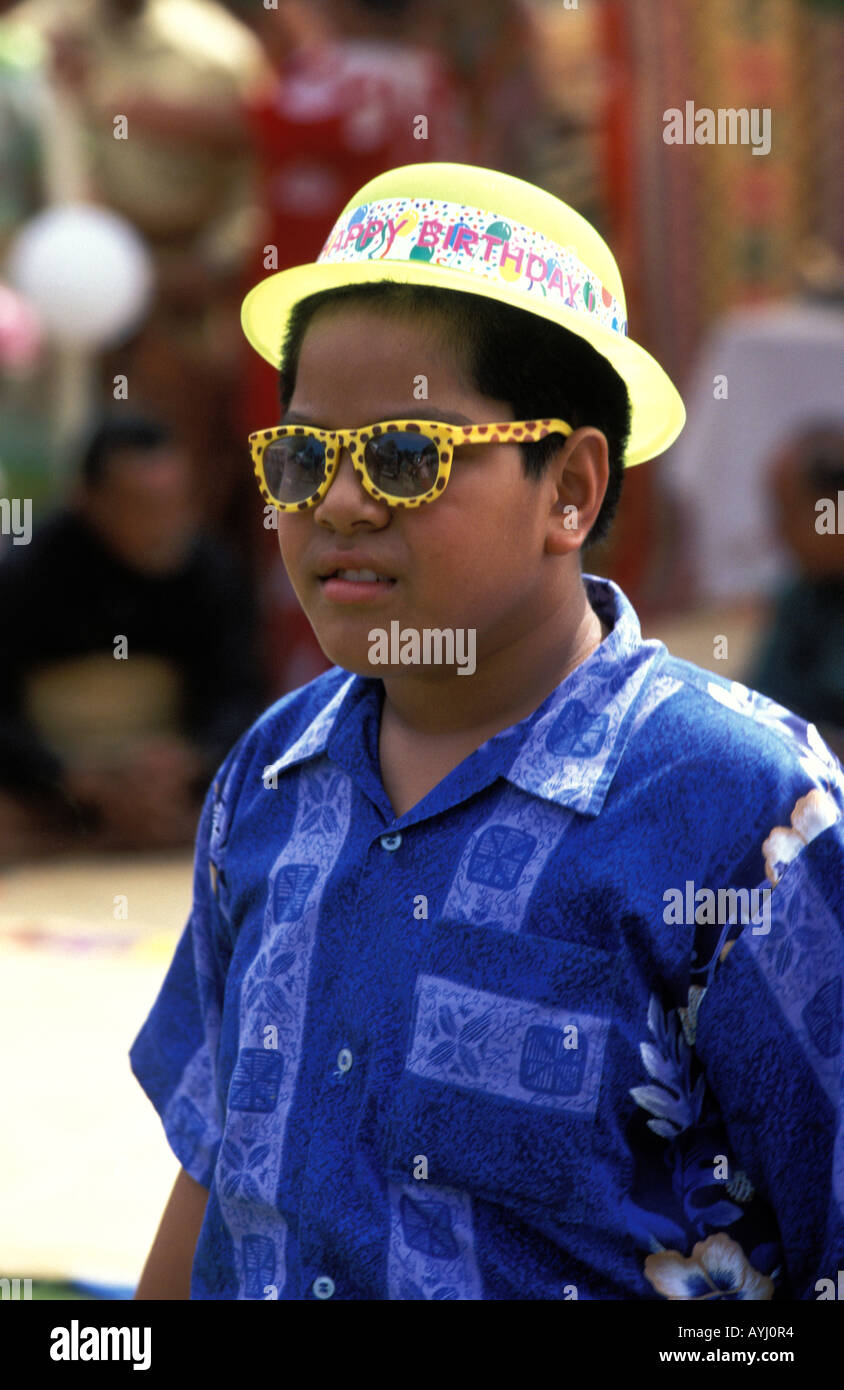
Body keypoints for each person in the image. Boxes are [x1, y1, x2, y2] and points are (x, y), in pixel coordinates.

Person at [130, 163, 844, 1301]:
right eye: (304, 456)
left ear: (568, 487)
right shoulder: (269, 777)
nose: (341, 502)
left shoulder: (740, 811)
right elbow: (217, 1170)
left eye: (407, 455)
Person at [0, 412, 263, 857]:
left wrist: (189, 760)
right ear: (87, 499)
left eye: (176, 503)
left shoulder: (211, 574)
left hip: (167, 796)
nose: (165, 523)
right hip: (50, 793)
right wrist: (68, 777)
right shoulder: (29, 573)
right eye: (142, 506)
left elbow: (239, 695)